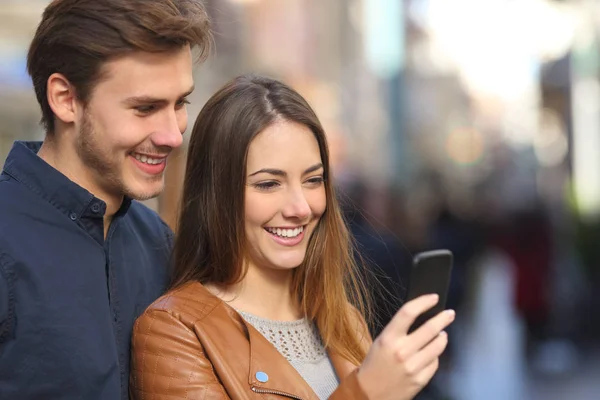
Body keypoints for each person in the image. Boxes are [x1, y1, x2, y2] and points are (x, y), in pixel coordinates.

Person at [130, 74, 455, 400]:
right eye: (269, 184)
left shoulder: (342, 319)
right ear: (216, 195)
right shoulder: (174, 332)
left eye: (313, 180)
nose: (301, 208)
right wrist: (368, 392)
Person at [0, 0, 211, 398]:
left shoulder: (158, 242)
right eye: (145, 108)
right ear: (65, 99)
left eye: (180, 103)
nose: (173, 135)